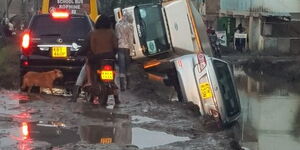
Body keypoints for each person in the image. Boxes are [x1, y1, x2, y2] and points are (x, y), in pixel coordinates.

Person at [69, 15, 118, 102]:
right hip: (110, 60)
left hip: (96, 59)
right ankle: (116, 98)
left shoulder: (92, 33)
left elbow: (85, 47)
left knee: (84, 70)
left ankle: (75, 96)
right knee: (113, 79)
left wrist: (76, 54)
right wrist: (112, 54)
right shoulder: (112, 33)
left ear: (97, 23)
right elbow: (116, 47)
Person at [115, 12, 134, 91]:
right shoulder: (130, 26)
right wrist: (132, 50)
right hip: (127, 48)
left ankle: (122, 86)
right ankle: (128, 85)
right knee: (127, 67)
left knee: (121, 67)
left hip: (119, 47)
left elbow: (116, 36)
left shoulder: (117, 25)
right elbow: (130, 39)